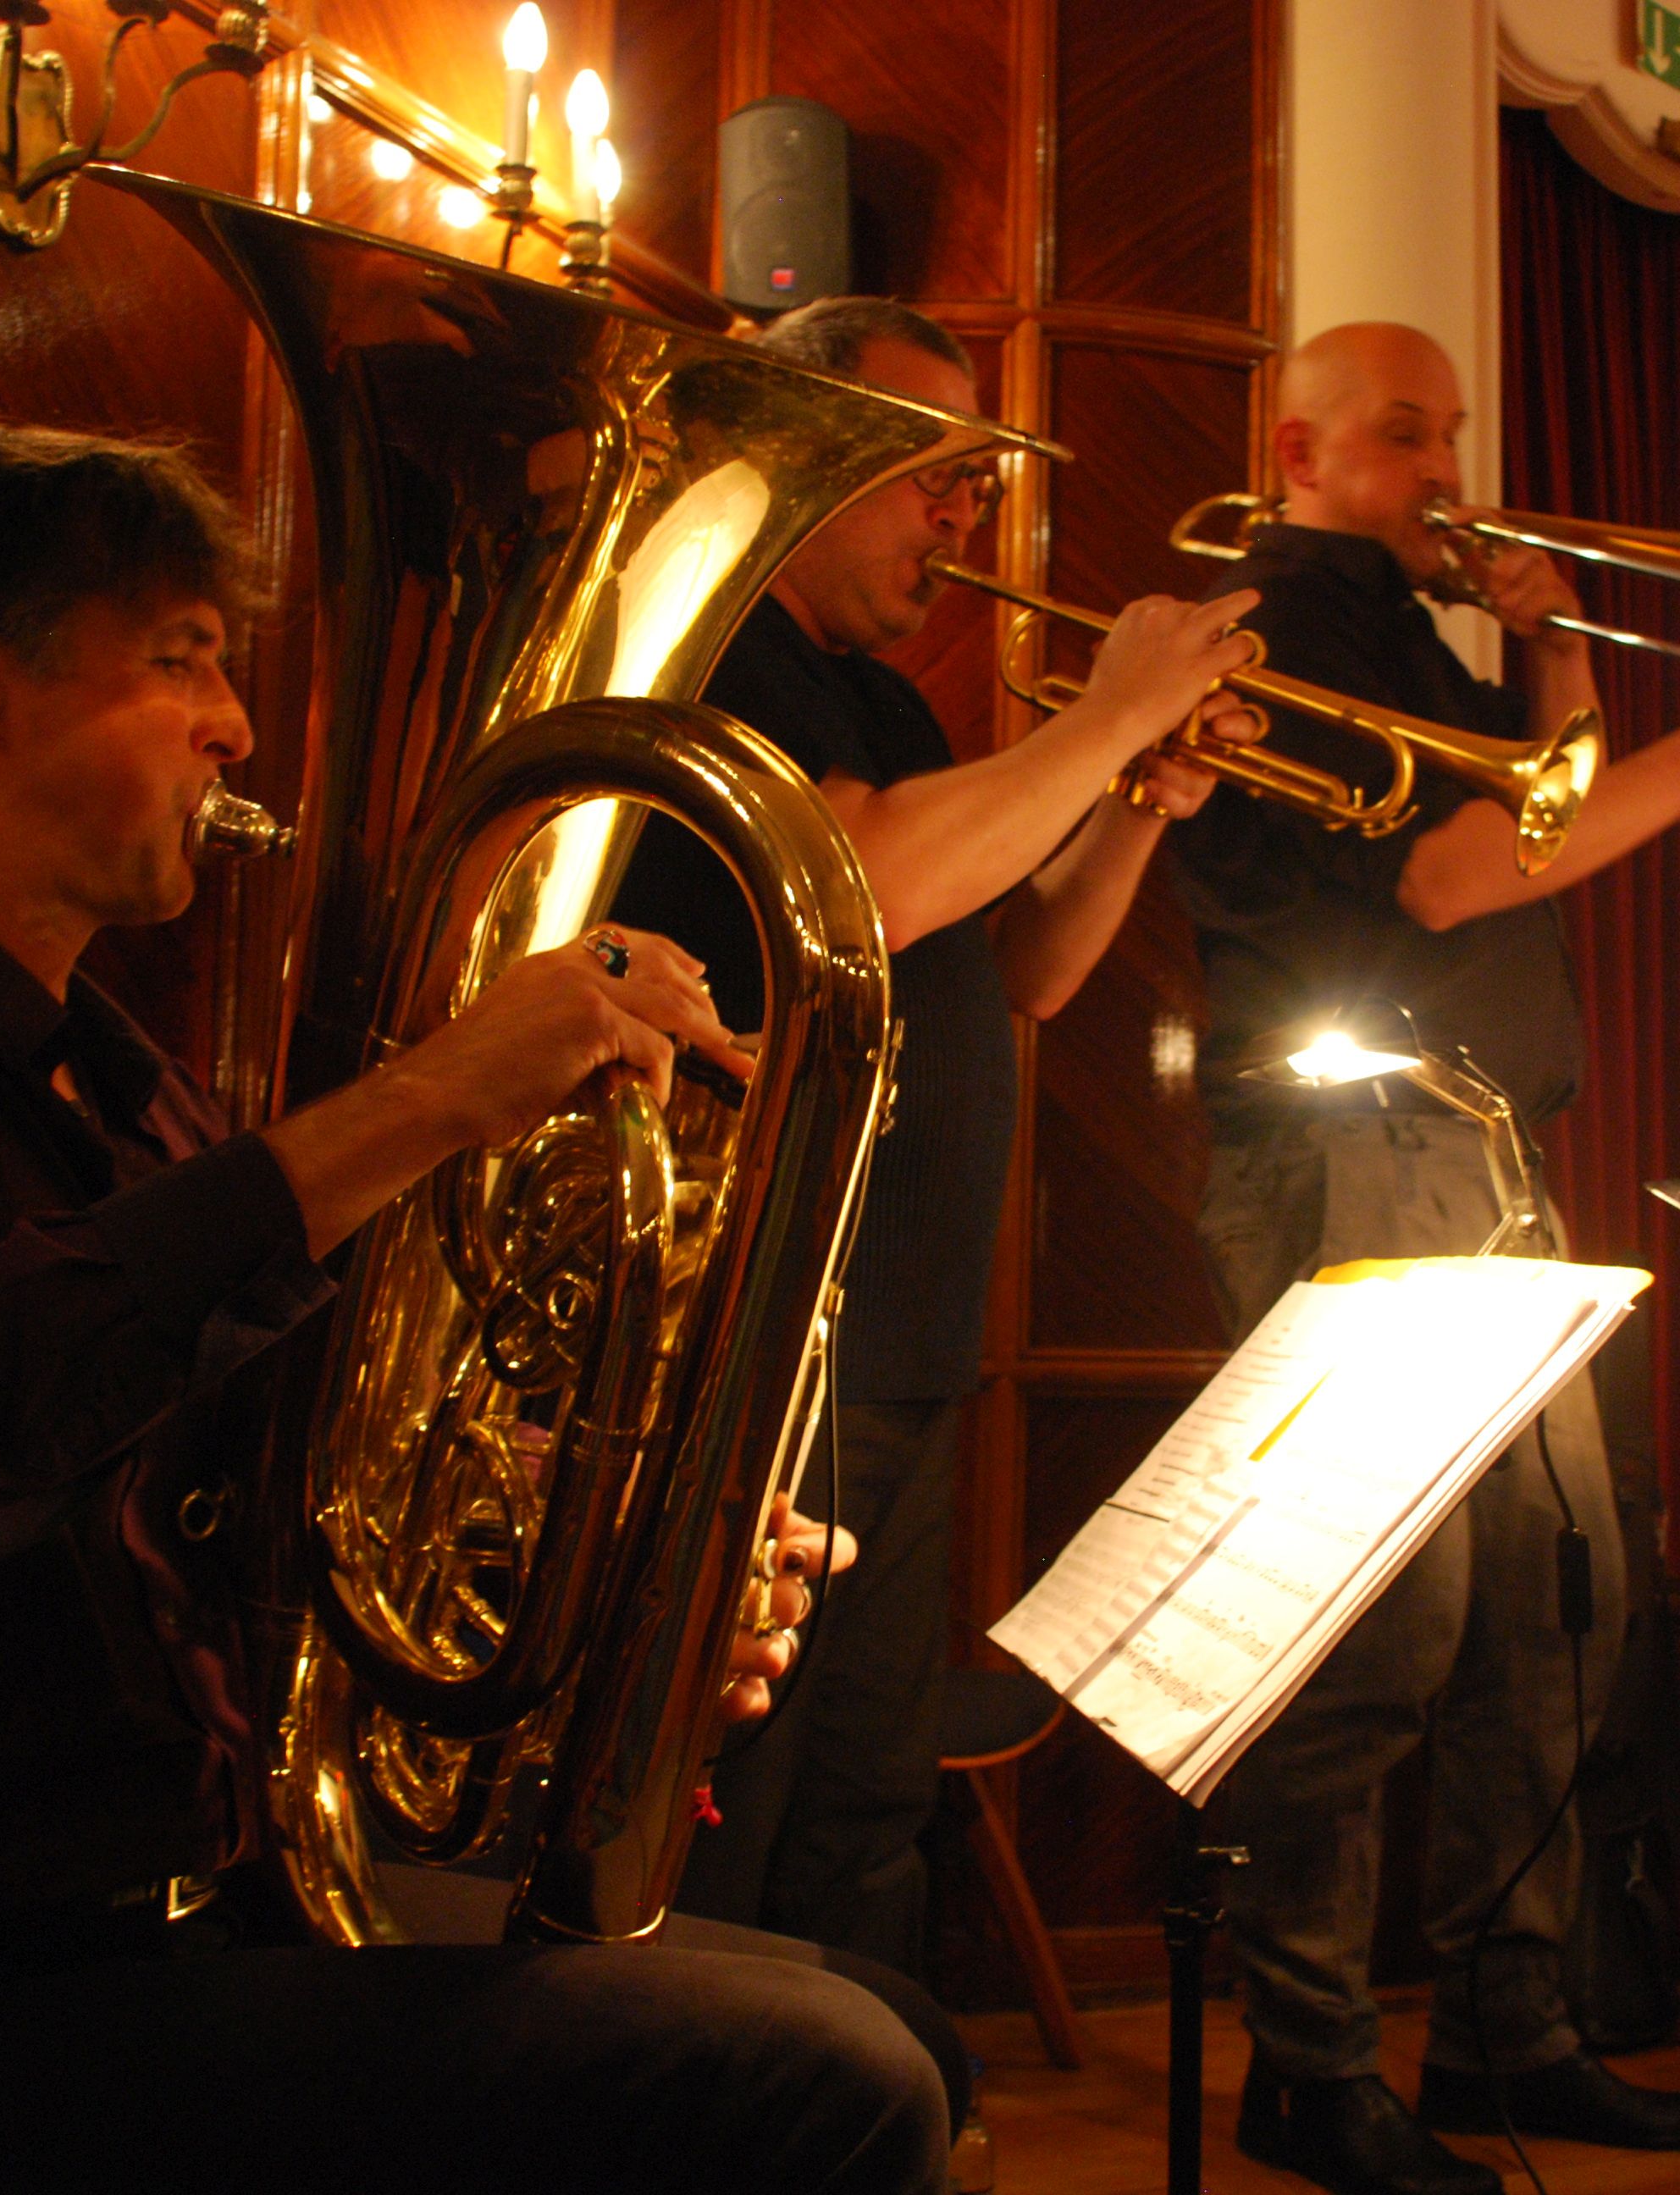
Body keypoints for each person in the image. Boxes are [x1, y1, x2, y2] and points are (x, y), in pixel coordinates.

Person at [0, 417, 951, 2194]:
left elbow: (296, 1537)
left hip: (182, 1923)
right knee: (824, 2085)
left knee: (891, 2019)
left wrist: (626, 1603)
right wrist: (432, 1095)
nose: (236, 727)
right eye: (181, 660)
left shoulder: (138, 1102)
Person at [1172, 323, 1680, 2195]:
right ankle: (1309, 2062)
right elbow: (1455, 876)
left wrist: (1556, 656)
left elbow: (1537, 796)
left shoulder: (1408, 631)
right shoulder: (1276, 618)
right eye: (1407, 436)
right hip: (1351, 1158)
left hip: (1481, 1156)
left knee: (1562, 1605)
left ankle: (1507, 2024)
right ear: (1300, 451)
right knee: (1379, 1633)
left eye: (1454, 434)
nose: (1447, 470)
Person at [620, 296, 1260, 1975]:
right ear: (803, 452)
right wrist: (1108, 715)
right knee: (731, 1814)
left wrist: (1141, 796)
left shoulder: (888, 709)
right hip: (761, 1326)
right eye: (932, 472)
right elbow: (866, 883)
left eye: (981, 483)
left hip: (897, 1335)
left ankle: (861, 2094)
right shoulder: (722, 654)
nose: (965, 515)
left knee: (863, 1808)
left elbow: (1028, 969)